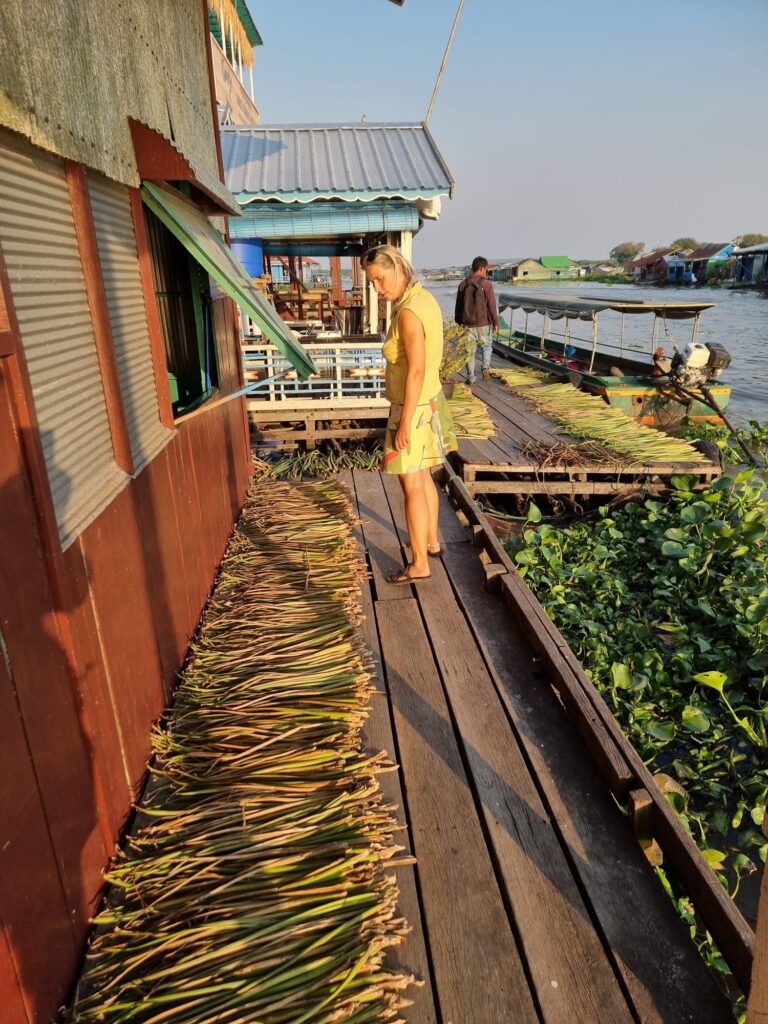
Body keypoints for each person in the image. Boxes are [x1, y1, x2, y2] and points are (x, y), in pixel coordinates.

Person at [362, 244, 457, 584]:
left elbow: (415, 370)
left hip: (412, 406)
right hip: (429, 400)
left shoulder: (407, 313)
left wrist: (403, 424)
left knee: (411, 484)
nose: (377, 288)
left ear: (399, 268)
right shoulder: (423, 299)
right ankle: (430, 541)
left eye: (380, 279)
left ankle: (419, 564)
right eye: (372, 282)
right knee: (425, 477)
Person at [454, 256, 499, 384]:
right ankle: (485, 367)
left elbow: (458, 306)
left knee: (469, 352)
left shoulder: (463, 284)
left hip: (467, 325)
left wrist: (458, 323)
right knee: (486, 347)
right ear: (481, 268)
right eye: (486, 269)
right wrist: (495, 322)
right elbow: (491, 305)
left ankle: (471, 377)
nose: (487, 272)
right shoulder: (487, 284)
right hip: (484, 323)